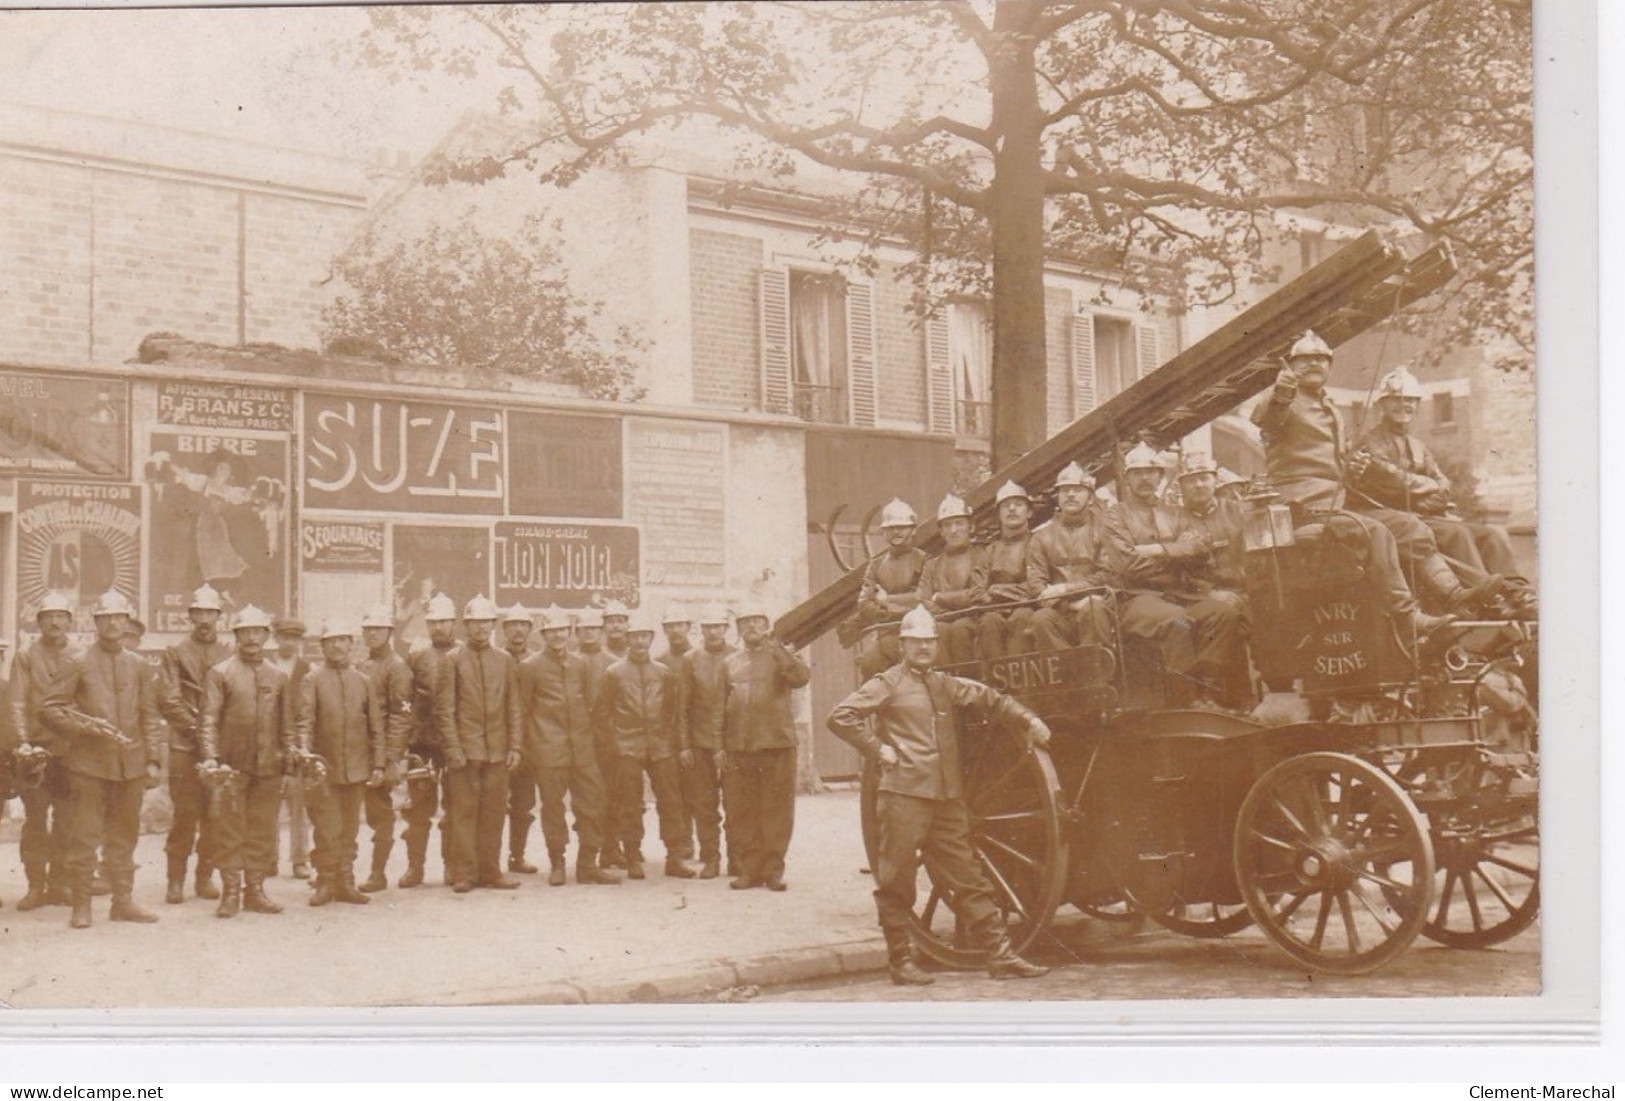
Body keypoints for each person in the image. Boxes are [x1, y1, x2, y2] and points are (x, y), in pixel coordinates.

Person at [827, 605, 1052, 985]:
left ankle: (999, 956)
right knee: (897, 881)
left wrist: (1029, 719)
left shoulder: (943, 684)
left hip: (946, 801)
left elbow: (990, 697)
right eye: (916, 643)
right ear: (902, 645)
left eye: (929, 643)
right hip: (904, 797)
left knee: (970, 878)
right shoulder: (888, 683)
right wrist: (877, 749)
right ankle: (901, 962)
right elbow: (841, 715)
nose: (923, 649)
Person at [1250, 331, 1486, 629]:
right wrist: (1282, 393)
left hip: (1336, 504)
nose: (1314, 364)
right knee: (1376, 531)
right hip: (1301, 505)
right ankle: (1406, 615)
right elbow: (1267, 420)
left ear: (1329, 367)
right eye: (1305, 360)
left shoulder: (1331, 408)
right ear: (1291, 366)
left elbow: (1333, 466)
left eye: (1321, 360)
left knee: (1409, 525)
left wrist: (1353, 467)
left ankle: (1454, 595)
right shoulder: (1285, 398)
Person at [1350, 365, 1536, 618]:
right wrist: (1426, 487)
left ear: (1417, 407)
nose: (1404, 406)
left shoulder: (1418, 446)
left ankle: (1518, 593)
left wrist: (1428, 495)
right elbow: (1388, 477)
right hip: (1392, 517)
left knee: (1489, 535)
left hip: (1424, 515)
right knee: (1456, 533)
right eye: (1396, 400)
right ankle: (1485, 600)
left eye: (1410, 401)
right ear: (1383, 405)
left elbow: (1443, 485)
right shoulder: (1370, 440)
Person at [41, 591, 164, 929]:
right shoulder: (77, 660)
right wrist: (84, 729)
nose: (113, 623)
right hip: (88, 766)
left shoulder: (138, 664)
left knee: (125, 836)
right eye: (106, 618)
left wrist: (152, 758)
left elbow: (149, 715)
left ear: (127, 623)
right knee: (85, 836)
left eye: (119, 617)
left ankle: (123, 902)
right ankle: (82, 906)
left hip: (131, 766)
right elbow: (49, 708)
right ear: (96, 623)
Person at [1102, 443, 1248, 708]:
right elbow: (1127, 565)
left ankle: (1209, 691)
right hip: (1136, 598)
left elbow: (1199, 549)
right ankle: (1188, 699)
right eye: (1138, 473)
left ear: (1160, 476)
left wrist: (1157, 550)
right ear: (1127, 478)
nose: (1145, 478)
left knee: (1223, 614)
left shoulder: (1174, 512)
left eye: (1151, 472)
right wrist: (1176, 555)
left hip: (1180, 594)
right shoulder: (1116, 515)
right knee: (1177, 622)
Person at [196, 604, 296, 919]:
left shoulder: (278, 675)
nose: (251, 638)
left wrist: (289, 757)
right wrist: (211, 759)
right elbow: (208, 719)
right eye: (245, 632)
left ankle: (255, 891)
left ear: (266, 636)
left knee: (262, 830)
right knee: (228, 830)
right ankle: (230, 893)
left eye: (257, 632)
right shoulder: (220, 672)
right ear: (236, 636)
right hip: (230, 767)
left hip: (268, 765)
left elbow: (288, 724)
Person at [521, 607, 620, 886]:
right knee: (553, 808)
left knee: (593, 803)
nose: (557, 636)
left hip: (582, 748)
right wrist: (530, 746)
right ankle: (558, 864)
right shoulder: (530, 667)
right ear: (543, 635)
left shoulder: (580, 665)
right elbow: (523, 710)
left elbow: (593, 705)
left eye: (561, 630)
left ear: (568, 633)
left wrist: (596, 743)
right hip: (548, 749)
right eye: (551, 631)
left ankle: (588, 864)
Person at [592, 611, 691, 881]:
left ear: (650, 638)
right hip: (627, 746)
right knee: (629, 803)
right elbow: (602, 713)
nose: (639, 641)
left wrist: (669, 740)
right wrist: (616, 742)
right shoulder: (613, 673)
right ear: (627, 638)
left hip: (660, 746)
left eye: (644, 636)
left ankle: (675, 858)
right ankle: (633, 856)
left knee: (671, 801)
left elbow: (672, 709)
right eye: (634, 636)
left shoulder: (664, 673)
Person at [718, 605, 810, 892]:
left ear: (766, 625)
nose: (751, 627)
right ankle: (749, 871)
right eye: (745, 622)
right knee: (744, 812)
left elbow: (800, 678)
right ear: (738, 628)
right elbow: (720, 707)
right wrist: (720, 746)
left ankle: (773, 871)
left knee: (776, 811)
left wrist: (779, 649)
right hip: (740, 747)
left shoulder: (782, 656)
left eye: (756, 621)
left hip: (776, 744)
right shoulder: (730, 662)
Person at [298, 618, 385, 907]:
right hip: (324, 768)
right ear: (321, 646)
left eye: (342, 640)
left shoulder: (363, 681)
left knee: (349, 828)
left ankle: (345, 882)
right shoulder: (312, 679)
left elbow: (375, 726)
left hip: (357, 767)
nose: (336, 646)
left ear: (351, 644)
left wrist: (379, 764)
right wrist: (306, 757)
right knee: (326, 828)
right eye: (329, 641)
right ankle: (325, 881)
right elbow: (305, 722)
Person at [440, 595, 524, 893]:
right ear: (466, 626)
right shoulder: (452, 660)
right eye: (475, 622)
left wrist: (515, 746)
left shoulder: (503, 660)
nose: (480, 628)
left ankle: (491, 870)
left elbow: (513, 706)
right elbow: (446, 709)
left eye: (486, 622)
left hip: (498, 750)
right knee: (463, 813)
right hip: (466, 751)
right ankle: (465, 873)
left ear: (493, 625)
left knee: (494, 811)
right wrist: (453, 749)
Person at [158, 584, 233, 905]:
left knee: (216, 816)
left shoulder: (231, 653)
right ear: (190, 616)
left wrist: (216, 740)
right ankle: (175, 880)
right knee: (185, 815)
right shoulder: (174, 653)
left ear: (219, 617)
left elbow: (236, 699)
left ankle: (205, 876)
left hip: (221, 748)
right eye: (198, 613)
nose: (204, 619)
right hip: (185, 746)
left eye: (210, 613)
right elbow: (169, 700)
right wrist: (198, 732)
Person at [8, 591, 80, 911]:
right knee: (36, 817)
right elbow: (18, 701)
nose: (55, 621)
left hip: (70, 749)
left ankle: (60, 883)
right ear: (38, 623)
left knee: (67, 817)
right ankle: (36, 884)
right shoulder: (26, 656)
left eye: (61, 616)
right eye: (48, 616)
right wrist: (24, 743)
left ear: (70, 622)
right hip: (36, 749)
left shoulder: (81, 655)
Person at [1025, 462, 1116, 652]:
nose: (1071, 495)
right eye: (1065, 490)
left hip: (1098, 607)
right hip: (1060, 611)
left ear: (1090, 498)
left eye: (1077, 490)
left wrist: (1064, 589)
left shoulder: (1105, 531)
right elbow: (1036, 584)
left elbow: (1108, 574)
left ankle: (1098, 674)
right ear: (1058, 498)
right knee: (1040, 619)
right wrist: (1069, 603)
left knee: (1093, 609)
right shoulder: (1041, 536)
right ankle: (1066, 676)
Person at [400, 593, 458, 889]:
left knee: (454, 806)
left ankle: (451, 866)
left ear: (454, 622)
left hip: (453, 743)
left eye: (443, 622)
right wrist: (409, 739)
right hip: (422, 743)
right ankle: (415, 867)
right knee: (418, 809)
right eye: (433, 622)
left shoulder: (463, 654)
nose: (438, 628)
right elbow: (406, 698)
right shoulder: (417, 656)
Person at [357, 605, 413, 893]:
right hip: (359, 749)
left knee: (380, 813)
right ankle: (338, 871)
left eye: (378, 629)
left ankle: (378, 873)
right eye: (367, 629)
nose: (372, 634)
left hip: (383, 752)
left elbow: (401, 716)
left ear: (389, 633)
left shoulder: (398, 667)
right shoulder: (362, 665)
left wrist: (390, 757)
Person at [678, 604, 733, 880]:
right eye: (708, 627)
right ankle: (711, 857)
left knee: (736, 803)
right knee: (705, 804)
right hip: (700, 743)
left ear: (726, 628)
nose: (713, 632)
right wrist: (685, 744)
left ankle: (738, 858)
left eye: (718, 626)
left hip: (732, 743)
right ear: (701, 630)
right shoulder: (691, 659)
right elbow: (683, 705)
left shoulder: (738, 657)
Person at [575, 607, 624, 869]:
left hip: (608, 739)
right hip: (580, 739)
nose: (589, 634)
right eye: (584, 630)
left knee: (613, 795)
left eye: (594, 629)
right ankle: (588, 851)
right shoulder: (569, 661)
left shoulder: (612, 663)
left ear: (601, 631)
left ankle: (611, 848)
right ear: (577, 633)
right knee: (586, 798)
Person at [855, 499, 927, 678]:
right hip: (885, 632)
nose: (896, 532)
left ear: (913, 529)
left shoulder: (924, 560)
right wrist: (892, 613)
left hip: (919, 633)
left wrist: (887, 601)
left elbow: (923, 598)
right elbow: (864, 604)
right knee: (869, 663)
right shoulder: (876, 565)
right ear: (884, 532)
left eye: (902, 527)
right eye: (890, 528)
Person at [916, 495, 987, 665]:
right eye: (947, 525)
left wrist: (940, 597)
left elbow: (978, 594)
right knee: (937, 631)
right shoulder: (932, 565)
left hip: (974, 622)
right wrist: (957, 605)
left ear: (971, 526)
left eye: (959, 523)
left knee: (960, 629)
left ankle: (968, 682)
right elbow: (924, 599)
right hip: (943, 623)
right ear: (941, 531)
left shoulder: (982, 555)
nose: (953, 530)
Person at [268, 617, 313, 879]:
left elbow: (307, 710)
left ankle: (299, 859)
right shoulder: (265, 666)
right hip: (269, 745)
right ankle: (268, 858)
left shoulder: (307, 669)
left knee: (299, 805)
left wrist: (301, 744)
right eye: (285, 637)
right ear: (276, 639)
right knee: (269, 804)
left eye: (294, 639)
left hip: (296, 744)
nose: (289, 643)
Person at [977, 481, 1039, 661]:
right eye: (1005, 506)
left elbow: (1039, 582)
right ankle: (995, 681)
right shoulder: (989, 550)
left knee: (1022, 617)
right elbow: (978, 589)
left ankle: (1021, 681)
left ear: (1029, 512)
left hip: (1029, 607)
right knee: (989, 621)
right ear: (999, 515)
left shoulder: (1038, 543)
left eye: (1018, 504)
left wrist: (999, 591)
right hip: (995, 610)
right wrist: (989, 598)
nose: (1011, 509)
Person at [499, 603, 540, 875]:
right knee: (492, 803)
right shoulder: (496, 658)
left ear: (529, 629)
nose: (517, 630)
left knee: (524, 804)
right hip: (497, 741)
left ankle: (517, 856)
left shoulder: (536, 661)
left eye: (523, 625)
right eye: (512, 625)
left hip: (530, 743)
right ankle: (488, 859)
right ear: (504, 629)